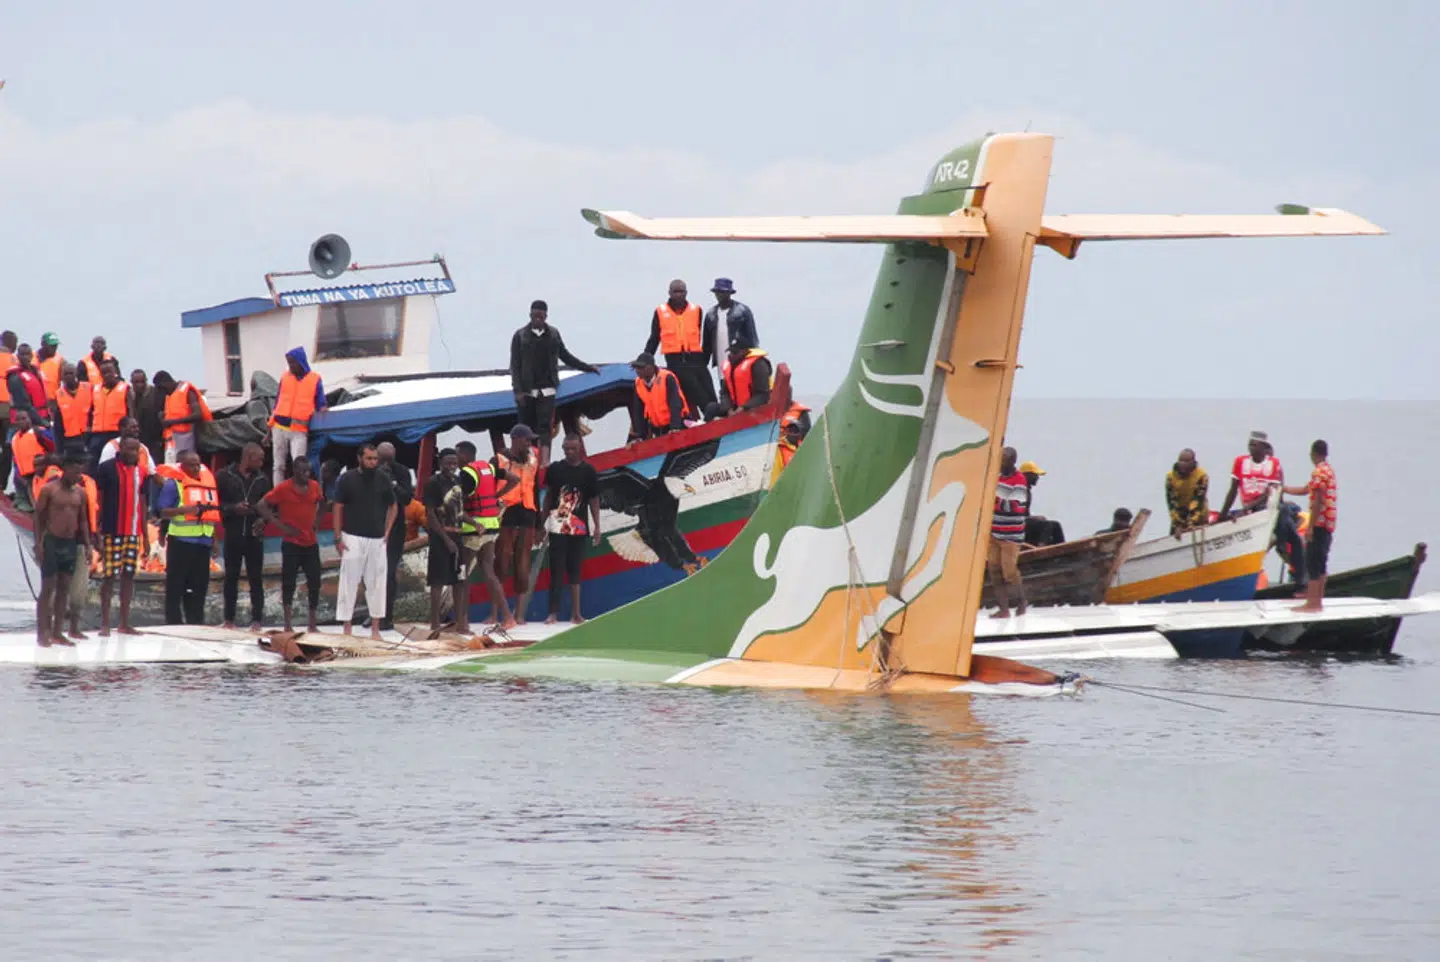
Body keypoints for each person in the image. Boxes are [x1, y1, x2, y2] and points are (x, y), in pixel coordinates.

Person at [509, 299, 599, 463]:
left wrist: (586, 367)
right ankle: (526, 460)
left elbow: (565, 356)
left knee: (545, 428)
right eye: (534, 316)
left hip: (548, 388)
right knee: (525, 428)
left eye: (540, 316)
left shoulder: (554, 334)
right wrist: (518, 391)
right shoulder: (520, 335)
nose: (537, 319)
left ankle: (544, 463)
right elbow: (514, 365)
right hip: (527, 390)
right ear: (530, 315)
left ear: (546, 316)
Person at [333, 443, 396, 640]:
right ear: (359, 458)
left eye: (375, 459)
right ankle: (347, 628)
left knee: (377, 583)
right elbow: (337, 507)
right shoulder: (347, 479)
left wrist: (388, 530)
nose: (373, 462)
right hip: (352, 536)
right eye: (369, 458)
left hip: (377, 538)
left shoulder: (383, 478)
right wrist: (337, 537)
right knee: (349, 582)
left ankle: (375, 630)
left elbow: (393, 505)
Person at [454, 439, 518, 632]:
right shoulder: (488, 468)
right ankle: (508, 618)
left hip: (474, 529)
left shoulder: (466, 473)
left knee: (463, 576)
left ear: (464, 456)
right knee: (488, 572)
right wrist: (496, 496)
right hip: (492, 526)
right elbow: (515, 479)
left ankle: (462, 623)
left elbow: (458, 503)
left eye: (456, 456)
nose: (455, 460)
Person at [257, 456, 325, 633]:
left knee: (315, 582)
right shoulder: (283, 488)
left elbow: (323, 503)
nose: (306, 474)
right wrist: (279, 525)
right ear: (295, 471)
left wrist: (317, 521)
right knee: (289, 582)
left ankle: (312, 624)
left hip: (311, 543)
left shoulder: (314, 487)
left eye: (308, 471)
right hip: (291, 543)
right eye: (303, 471)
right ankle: (288, 625)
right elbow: (261, 505)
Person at [92, 437, 151, 636]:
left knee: (128, 575)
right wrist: (96, 531)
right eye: (130, 449)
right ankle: (105, 623)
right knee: (109, 576)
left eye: (137, 449)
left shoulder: (142, 472)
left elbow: (143, 504)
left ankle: (124, 623)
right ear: (121, 448)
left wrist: (145, 537)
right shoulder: (107, 469)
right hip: (111, 530)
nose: (133, 453)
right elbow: (98, 500)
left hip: (133, 532)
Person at [33, 455, 93, 647]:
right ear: (65, 469)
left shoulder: (80, 493)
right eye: (75, 471)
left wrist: (88, 544)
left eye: (80, 471)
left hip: (69, 543)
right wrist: (38, 543)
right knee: (48, 588)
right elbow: (38, 518)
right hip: (52, 541)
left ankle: (58, 631)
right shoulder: (49, 490)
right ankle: (43, 632)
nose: (78, 475)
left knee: (64, 588)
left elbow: (83, 520)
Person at [156, 449, 221, 624]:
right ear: (181, 465)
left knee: (199, 586)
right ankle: (173, 623)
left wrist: (214, 539)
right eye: (191, 465)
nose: (196, 467)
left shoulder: (207, 483)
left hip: (203, 542)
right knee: (176, 585)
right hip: (181, 542)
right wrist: (186, 510)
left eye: (198, 464)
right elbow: (162, 511)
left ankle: (196, 622)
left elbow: (211, 513)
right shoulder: (173, 484)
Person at [540, 435, 600, 624]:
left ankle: (576, 613)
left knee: (575, 569)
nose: (569, 452)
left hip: (579, 527)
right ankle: (553, 613)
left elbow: (593, 500)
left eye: (572, 448)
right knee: (556, 569)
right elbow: (549, 497)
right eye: (566, 448)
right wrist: (542, 524)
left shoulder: (588, 471)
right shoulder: (555, 469)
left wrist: (597, 526)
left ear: (579, 448)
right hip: (557, 525)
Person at [217, 442, 271, 629]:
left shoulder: (263, 480)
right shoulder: (224, 476)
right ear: (248, 457)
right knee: (231, 576)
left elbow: (270, 507)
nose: (262, 463)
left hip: (254, 536)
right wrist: (233, 509)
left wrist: (263, 521)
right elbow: (216, 505)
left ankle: (257, 619)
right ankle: (229, 619)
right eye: (259, 459)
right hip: (233, 533)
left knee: (256, 578)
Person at [644, 279, 716, 413]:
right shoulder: (660, 311)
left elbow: (703, 336)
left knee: (708, 387)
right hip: (675, 360)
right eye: (675, 292)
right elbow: (654, 338)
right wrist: (645, 359)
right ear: (669, 293)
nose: (678, 295)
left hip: (695, 357)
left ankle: (717, 414)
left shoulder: (696, 310)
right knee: (695, 388)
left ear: (686, 293)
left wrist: (704, 359)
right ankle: (708, 413)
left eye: (681, 292)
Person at [1284, 439, 1338, 612]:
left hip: (1319, 523)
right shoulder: (1328, 471)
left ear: (1313, 453)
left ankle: (1312, 604)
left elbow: (1317, 502)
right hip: (1328, 523)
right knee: (1321, 563)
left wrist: (1310, 527)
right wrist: (1284, 489)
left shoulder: (1318, 473)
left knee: (1313, 563)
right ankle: (1317, 600)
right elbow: (1307, 490)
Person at [494, 425, 540, 623]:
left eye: (530, 440)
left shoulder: (532, 460)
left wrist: (540, 523)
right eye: (526, 440)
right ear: (515, 439)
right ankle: (495, 613)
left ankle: (519, 615)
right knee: (501, 563)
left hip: (527, 514)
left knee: (523, 565)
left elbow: (535, 488)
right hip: (505, 515)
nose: (529, 444)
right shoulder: (498, 460)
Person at [269, 346, 327, 487]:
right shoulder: (285, 377)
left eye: (292, 362)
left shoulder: (315, 379)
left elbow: (321, 404)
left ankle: (299, 492)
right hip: (279, 427)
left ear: (301, 362)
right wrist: (269, 429)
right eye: (289, 363)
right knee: (278, 466)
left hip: (299, 430)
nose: (290, 366)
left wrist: (324, 413)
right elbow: (277, 404)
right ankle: (278, 492)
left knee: (299, 465)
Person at [6, 344, 52, 500]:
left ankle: (40, 491)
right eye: (22, 354)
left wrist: (47, 420)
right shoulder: (15, 377)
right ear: (18, 356)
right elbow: (24, 403)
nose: (26, 357)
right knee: (20, 456)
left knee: (40, 454)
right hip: (25, 420)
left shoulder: (34, 371)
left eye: (28, 354)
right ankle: (21, 496)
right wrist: (40, 422)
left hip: (42, 417)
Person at [376, 441, 414, 631]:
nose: (385, 464)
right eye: (382, 460)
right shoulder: (370, 470)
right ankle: (373, 613)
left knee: (389, 572)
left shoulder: (402, 472)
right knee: (372, 573)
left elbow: (407, 498)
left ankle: (387, 616)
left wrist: (392, 483)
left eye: (389, 460)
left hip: (395, 528)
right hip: (372, 527)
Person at [988, 447, 1028, 618]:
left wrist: (995, 497)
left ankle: (1021, 601)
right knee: (994, 570)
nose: (1001, 462)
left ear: (1012, 461)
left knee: (1009, 572)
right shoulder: (996, 477)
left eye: (1004, 459)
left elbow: (1015, 507)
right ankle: (1003, 609)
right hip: (995, 532)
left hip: (1011, 536)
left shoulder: (1019, 480)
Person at [1219, 431, 1284, 518]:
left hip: (1265, 506)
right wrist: (1223, 514)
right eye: (1250, 445)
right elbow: (1233, 491)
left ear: (1263, 447)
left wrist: (1247, 508)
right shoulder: (1240, 461)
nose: (1251, 448)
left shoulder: (1273, 463)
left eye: (1254, 445)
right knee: (1229, 517)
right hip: (1247, 507)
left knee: (1284, 510)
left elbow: (1270, 492)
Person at [703, 278, 760, 375]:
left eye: (723, 292)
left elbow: (752, 338)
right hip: (721, 362)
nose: (719, 295)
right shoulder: (710, 315)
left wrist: (756, 361)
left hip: (742, 361)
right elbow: (706, 345)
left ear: (730, 293)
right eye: (717, 292)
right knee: (724, 384)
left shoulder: (743, 311)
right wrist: (702, 365)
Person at [155, 370, 212, 464]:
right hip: (172, 440)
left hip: (187, 438)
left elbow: (198, 414)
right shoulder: (169, 395)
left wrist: (172, 422)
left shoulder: (187, 390)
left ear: (166, 383)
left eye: (161, 388)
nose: (162, 392)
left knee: (186, 466)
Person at [628, 353, 688, 442]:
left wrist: (675, 427)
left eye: (641, 367)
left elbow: (675, 403)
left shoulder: (667, 377)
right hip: (658, 428)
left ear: (651, 367)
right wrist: (639, 436)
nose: (638, 370)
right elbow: (638, 411)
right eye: (636, 368)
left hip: (678, 424)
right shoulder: (638, 384)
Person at [708, 343, 773, 420]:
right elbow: (724, 393)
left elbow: (763, 395)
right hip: (735, 409)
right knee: (711, 408)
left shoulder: (758, 364)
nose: (731, 355)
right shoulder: (730, 367)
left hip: (755, 408)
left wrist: (744, 408)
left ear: (744, 352)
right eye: (730, 352)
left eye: (735, 353)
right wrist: (729, 409)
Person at [9, 408, 54, 512]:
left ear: (30, 419)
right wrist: (18, 475)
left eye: (24, 418)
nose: (21, 421)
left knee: (47, 503)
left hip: (43, 474)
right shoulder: (14, 438)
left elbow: (54, 449)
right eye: (18, 419)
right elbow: (16, 460)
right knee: (36, 506)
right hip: (27, 478)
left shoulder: (40, 432)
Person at [88, 361, 132, 467]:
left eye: (109, 372)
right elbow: (91, 411)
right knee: (94, 464)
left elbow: (131, 412)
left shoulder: (125, 389)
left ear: (115, 372)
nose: (107, 375)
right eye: (104, 372)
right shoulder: (95, 389)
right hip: (97, 434)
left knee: (115, 465)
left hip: (116, 433)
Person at [51, 362, 93, 459]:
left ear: (76, 374)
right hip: (70, 439)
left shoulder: (88, 388)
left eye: (71, 373)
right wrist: (59, 450)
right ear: (62, 376)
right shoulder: (58, 394)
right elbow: (57, 424)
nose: (68, 376)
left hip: (88, 436)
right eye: (65, 374)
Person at [1018, 459, 1064, 546]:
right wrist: (1034, 518)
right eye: (1035, 475)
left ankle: (1063, 550)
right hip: (1017, 527)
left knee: (1056, 525)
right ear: (1027, 475)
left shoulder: (1026, 491)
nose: (1037, 478)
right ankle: (1041, 548)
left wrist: (1033, 518)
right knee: (1047, 525)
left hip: (1024, 525)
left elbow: (1025, 514)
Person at [1165, 448, 1209, 535]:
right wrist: (1177, 524)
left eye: (1186, 462)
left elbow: (1197, 501)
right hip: (1179, 514)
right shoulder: (1170, 478)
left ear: (1193, 462)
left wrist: (1191, 523)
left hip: (1198, 515)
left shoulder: (1201, 476)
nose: (1183, 465)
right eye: (1181, 461)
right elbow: (1172, 502)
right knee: (1174, 539)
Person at [131, 369, 165, 467]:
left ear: (146, 380)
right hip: (137, 438)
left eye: (142, 382)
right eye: (136, 382)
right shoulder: (129, 395)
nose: (139, 385)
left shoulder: (155, 393)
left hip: (155, 438)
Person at [776, 402, 812, 475]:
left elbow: (806, 435)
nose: (792, 433)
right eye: (790, 430)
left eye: (794, 431)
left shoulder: (801, 413)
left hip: (792, 450)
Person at [0, 330, 15, 487]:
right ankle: (1, 484)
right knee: (7, 447)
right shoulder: (13, 359)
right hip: (7, 410)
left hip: (7, 409)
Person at [36, 332, 64, 401]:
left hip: (52, 401)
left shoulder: (60, 361)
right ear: (43, 344)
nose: (54, 348)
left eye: (55, 345)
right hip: (33, 401)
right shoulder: (30, 358)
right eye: (51, 346)